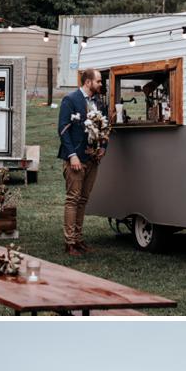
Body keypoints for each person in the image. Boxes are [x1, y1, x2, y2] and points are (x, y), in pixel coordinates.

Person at [57, 66, 107, 257]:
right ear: (88, 82)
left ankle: (78, 239)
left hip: (92, 158)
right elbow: (63, 129)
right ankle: (69, 242)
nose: (101, 84)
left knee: (84, 199)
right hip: (76, 158)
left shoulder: (98, 102)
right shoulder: (70, 100)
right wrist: (72, 155)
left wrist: (103, 147)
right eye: (98, 81)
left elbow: (104, 127)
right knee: (73, 199)